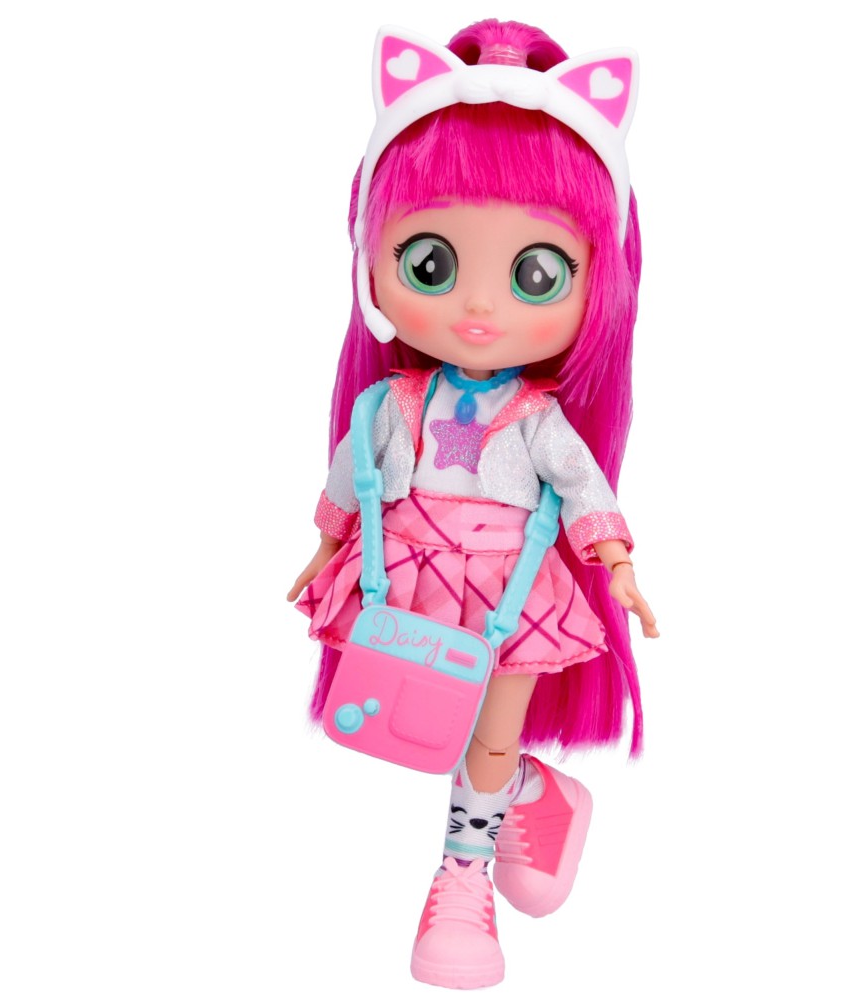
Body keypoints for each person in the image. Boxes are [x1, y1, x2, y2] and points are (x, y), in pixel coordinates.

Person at [286, 19, 658, 989]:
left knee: (486, 725)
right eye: (432, 264)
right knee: (430, 716)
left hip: (512, 585)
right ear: (371, 262)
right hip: (404, 570)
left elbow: (580, 483)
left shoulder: (537, 420)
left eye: (536, 274)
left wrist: (617, 563)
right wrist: (325, 545)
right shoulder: (391, 402)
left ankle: (461, 880)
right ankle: (531, 789)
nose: (480, 309)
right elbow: (354, 474)